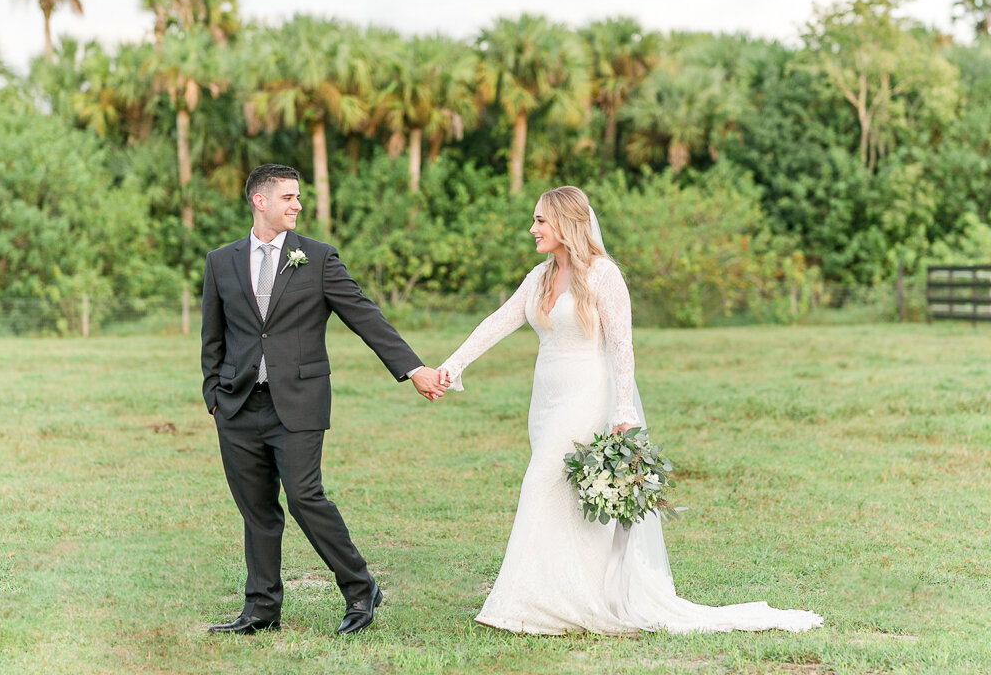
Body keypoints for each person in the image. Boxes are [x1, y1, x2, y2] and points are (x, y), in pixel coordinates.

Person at [436, 185, 823, 635]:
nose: (532, 228)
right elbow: (497, 322)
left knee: (540, 480)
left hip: (587, 395)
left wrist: (623, 407)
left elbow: (622, 344)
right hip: (545, 400)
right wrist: (452, 365)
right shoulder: (539, 277)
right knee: (567, 499)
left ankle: (518, 604)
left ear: (566, 223)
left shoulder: (603, 275)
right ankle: (571, 592)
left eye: (541, 220)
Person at [201, 164, 446, 636]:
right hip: (236, 405)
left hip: (298, 403)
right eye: (289, 197)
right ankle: (261, 609)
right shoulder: (221, 261)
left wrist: (412, 369)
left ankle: (360, 588)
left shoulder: (317, 258)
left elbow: (364, 316)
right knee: (256, 509)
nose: (297, 205)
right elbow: (213, 335)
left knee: (304, 497)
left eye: (298, 197)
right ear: (260, 201)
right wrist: (214, 394)